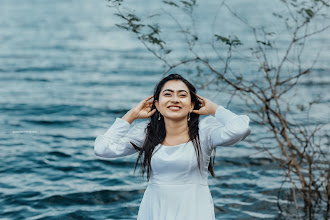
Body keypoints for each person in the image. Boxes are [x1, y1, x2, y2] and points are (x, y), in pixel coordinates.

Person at [94, 73, 251, 220]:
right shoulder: (146, 132)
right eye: (168, 94)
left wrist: (215, 109)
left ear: (191, 105)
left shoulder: (205, 132)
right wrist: (132, 114)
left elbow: (240, 129)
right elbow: (102, 148)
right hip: (155, 208)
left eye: (182, 95)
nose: (175, 99)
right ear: (157, 104)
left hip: (194, 209)